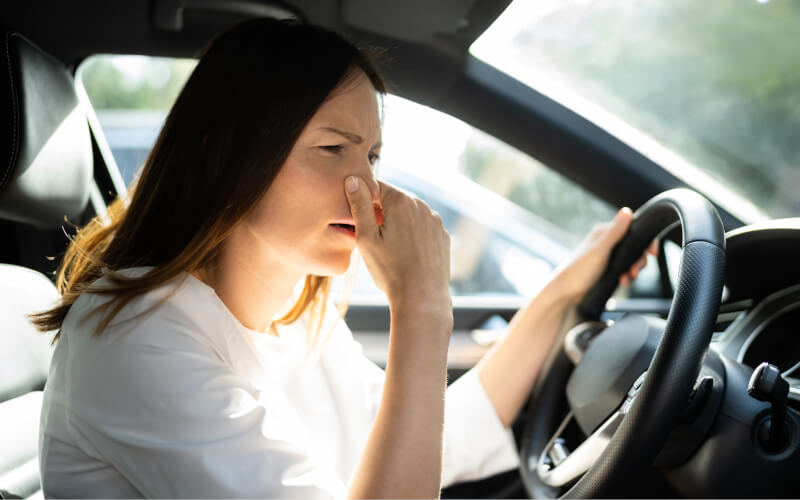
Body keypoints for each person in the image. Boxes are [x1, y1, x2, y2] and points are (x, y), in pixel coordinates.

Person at [33, 18, 651, 499]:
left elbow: (438, 438)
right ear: (224, 156)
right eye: (333, 148)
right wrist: (421, 305)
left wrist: (567, 290)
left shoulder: (298, 315)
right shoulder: (135, 337)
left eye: (373, 157)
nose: (367, 189)